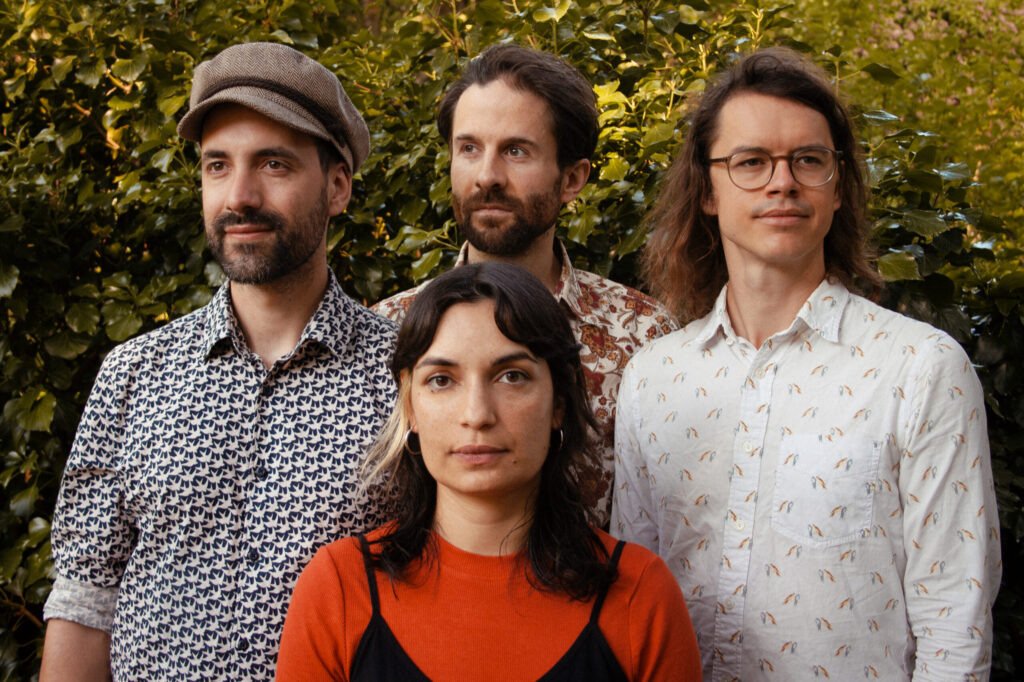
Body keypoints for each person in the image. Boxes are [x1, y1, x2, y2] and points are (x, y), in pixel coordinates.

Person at [611, 47, 1001, 680]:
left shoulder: (920, 369)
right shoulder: (652, 378)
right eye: (751, 162)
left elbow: (955, 617)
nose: (782, 181)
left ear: (838, 186)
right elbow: (634, 592)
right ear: (706, 191)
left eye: (809, 160)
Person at [40, 42, 397, 681]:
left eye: (274, 165)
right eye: (216, 166)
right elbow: (85, 599)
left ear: (337, 187)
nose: (240, 196)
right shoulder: (133, 374)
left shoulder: (405, 378)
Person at [277, 262, 701, 680]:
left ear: (558, 404)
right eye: (442, 380)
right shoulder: (338, 591)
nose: (476, 414)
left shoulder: (640, 596)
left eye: (511, 376)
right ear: (410, 407)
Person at [373, 45, 677, 528]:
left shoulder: (642, 336)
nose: (487, 176)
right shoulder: (388, 329)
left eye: (516, 151)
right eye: (469, 148)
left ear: (572, 178)